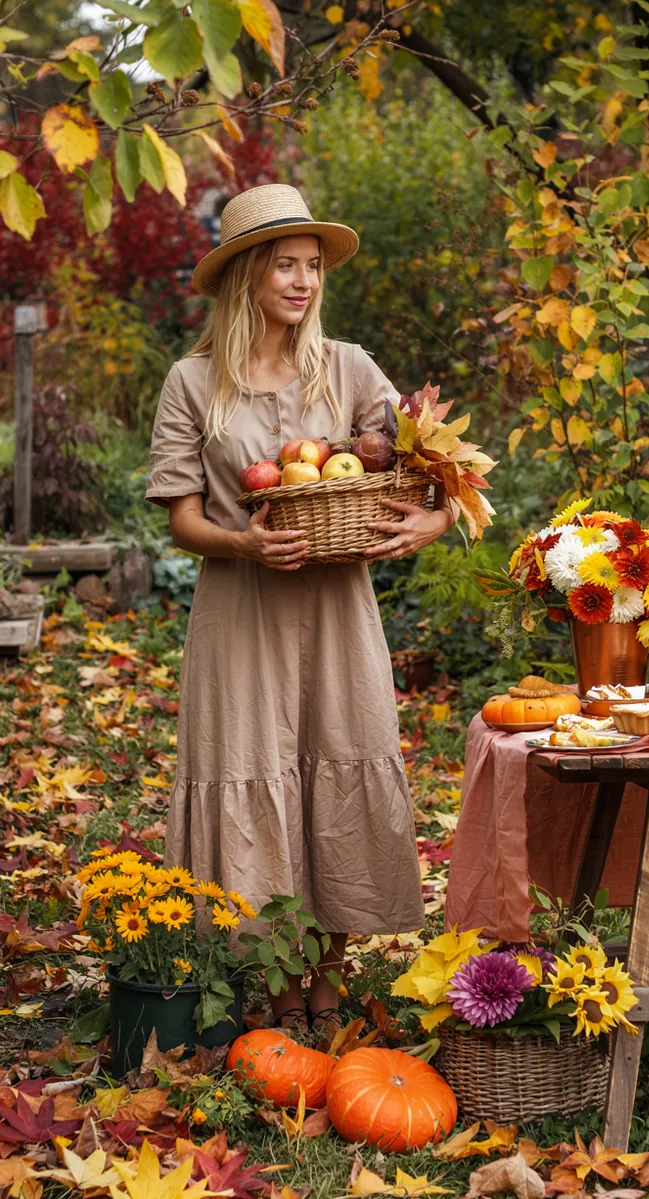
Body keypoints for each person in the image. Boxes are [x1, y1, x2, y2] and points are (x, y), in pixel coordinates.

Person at [146, 184, 456, 1032]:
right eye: (285, 264)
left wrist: (432, 520)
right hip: (241, 612)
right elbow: (182, 516)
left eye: (312, 266)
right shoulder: (193, 382)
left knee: (338, 756)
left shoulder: (348, 368)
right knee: (258, 769)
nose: (303, 281)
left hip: (335, 612)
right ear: (246, 274)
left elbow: (437, 465)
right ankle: (277, 986)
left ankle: (328, 982)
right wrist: (245, 543)